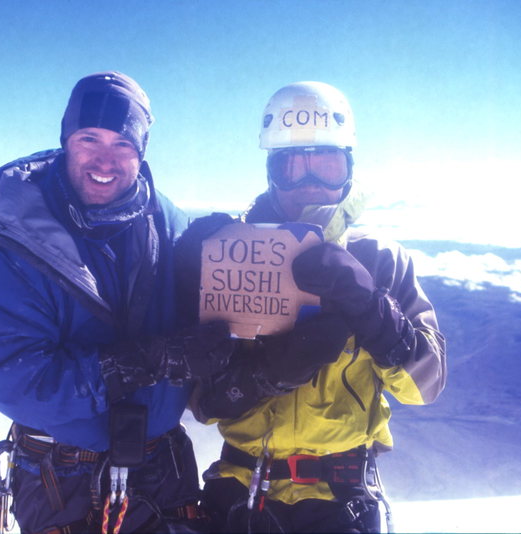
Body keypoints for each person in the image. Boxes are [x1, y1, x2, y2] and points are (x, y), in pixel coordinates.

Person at [0, 71, 233, 534]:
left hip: (163, 470)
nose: (105, 159)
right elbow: (12, 374)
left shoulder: (169, 224)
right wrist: (142, 363)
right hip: (62, 481)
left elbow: (209, 326)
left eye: (123, 144)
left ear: (141, 153)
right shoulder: (11, 240)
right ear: (66, 141)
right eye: (89, 138)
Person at [185, 81, 447, 533]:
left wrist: (371, 308)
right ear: (271, 171)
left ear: (348, 169)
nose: (309, 183)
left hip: (339, 500)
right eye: (293, 166)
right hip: (240, 492)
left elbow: (425, 386)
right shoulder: (233, 251)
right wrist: (266, 375)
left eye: (325, 164)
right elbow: (201, 402)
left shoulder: (381, 260)